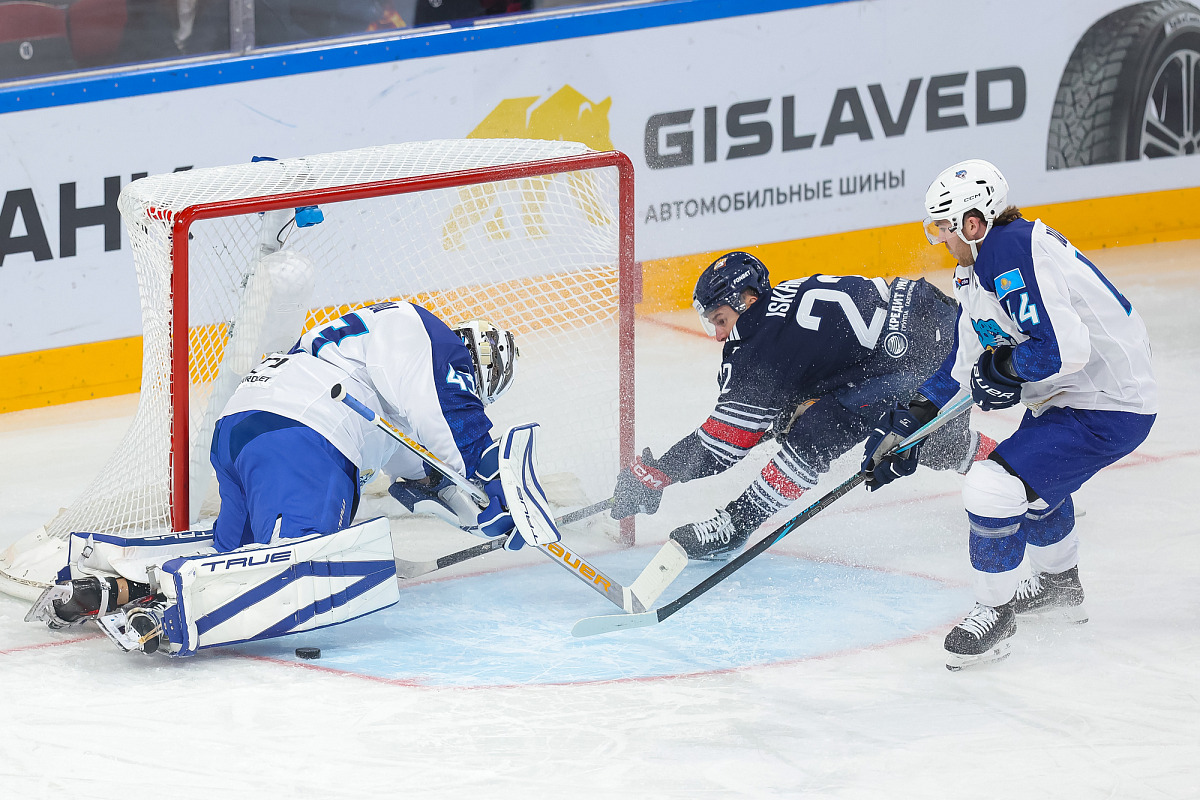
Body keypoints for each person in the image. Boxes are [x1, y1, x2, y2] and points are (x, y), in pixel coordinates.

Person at [27, 301, 524, 653]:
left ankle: (109, 584)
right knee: (299, 567)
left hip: (244, 429)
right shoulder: (425, 335)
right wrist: (497, 479)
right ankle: (162, 617)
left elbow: (428, 475)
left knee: (234, 558)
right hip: (305, 435)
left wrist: (481, 512)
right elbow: (453, 423)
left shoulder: (382, 369)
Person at [861, 159, 1157, 670]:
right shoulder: (983, 263)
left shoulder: (1009, 252)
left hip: (1106, 402)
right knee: (1032, 484)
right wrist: (910, 421)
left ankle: (994, 614)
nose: (940, 239)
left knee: (993, 486)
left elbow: (1064, 350)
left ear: (973, 223)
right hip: (1074, 396)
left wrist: (1004, 366)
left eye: (944, 227)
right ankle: (1060, 587)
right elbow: (964, 363)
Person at [611, 251, 997, 561]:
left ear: (747, 301)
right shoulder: (783, 300)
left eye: (721, 320)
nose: (718, 335)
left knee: (817, 431)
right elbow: (833, 358)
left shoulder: (758, 343)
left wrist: (656, 474)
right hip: (943, 323)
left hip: (913, 362)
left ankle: (736, 524)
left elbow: (724, 443)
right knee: (934, 443)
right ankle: (1016, 473)